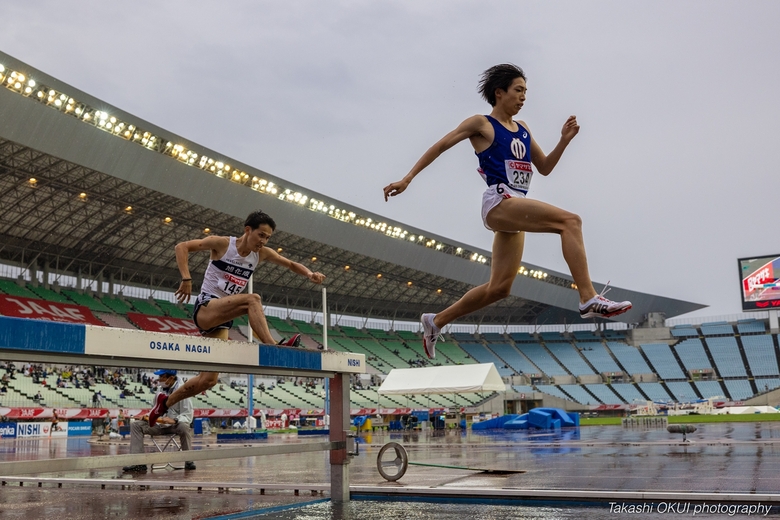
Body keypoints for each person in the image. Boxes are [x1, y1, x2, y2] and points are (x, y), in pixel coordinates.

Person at [383, 63, 632, 359]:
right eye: (518, 90)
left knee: (499, 288)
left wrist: (564, 141)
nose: (523, 97)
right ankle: (588, 297)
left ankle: (435, 321)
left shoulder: (523, 129)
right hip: (499, 201)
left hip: (515, 207)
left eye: (526, 91)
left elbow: (545, 168)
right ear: (499, 93)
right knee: (570, 221)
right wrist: (408, 178)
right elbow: (441, 145)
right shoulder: (482, 123)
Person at [148, 210, 326, 426]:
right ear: (247, 230)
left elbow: (289, 264)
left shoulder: (261, 254)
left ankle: (164, 403)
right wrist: (186, 277)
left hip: (223, 319)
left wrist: (309, 274)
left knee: (208, 380)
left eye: (268, 237)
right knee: (253, 300)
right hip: (206, 308)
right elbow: (181, 247)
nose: (264, 241)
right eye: (261, 235)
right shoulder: (222, 244)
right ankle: (272, 347)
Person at [123, 369, 195, 473]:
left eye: (162, 377)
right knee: (136, 425)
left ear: (170, 378)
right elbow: (156, 409)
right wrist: (147, 416)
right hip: (159, 424)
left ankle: (189, 461)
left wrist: (174, 420)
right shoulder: (160, 390)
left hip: (175, 425)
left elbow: (188, 415)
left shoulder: (182, 391)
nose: (159, 379)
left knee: (184, 427)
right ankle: (138, 463)